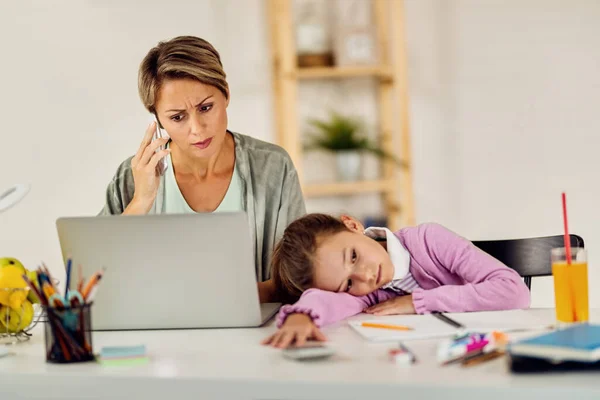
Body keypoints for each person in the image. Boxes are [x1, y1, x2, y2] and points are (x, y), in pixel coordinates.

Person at [99, 36, 305, 302]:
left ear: (226, 94)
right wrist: (140, 201)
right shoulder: (132, 177)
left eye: (206, 108)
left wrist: (223, 299)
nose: (196, 129)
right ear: (157, 119)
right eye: (177, 117)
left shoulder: (273, 167)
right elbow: (95, 281)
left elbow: (301, 273)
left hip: (256, 336)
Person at [262, 213, 530, 348]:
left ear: (353, 225)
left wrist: (418, 302)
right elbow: (325, 299)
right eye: (348, 284)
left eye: (353, 256)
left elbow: (514, 292)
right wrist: (302, 316)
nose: (364, 276)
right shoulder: (368, 293)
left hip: (492, 351)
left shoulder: (429, 240)